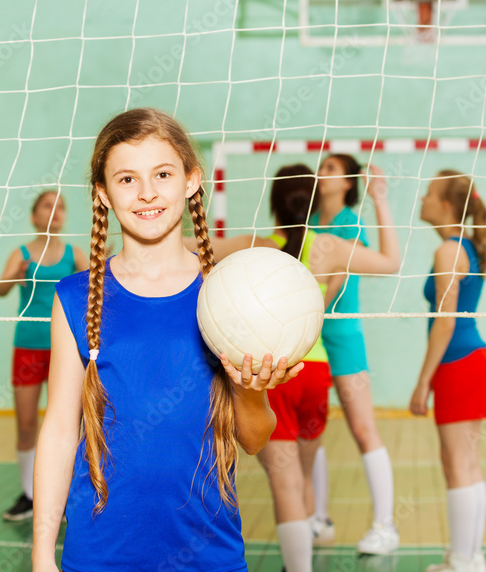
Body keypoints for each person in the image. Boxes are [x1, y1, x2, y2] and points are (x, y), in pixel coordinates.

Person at [31, 108, 303, 572]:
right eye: (127, 179)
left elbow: (255, 440)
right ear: (103, 194)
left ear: (191, 181)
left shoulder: (225, 297)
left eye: (162, 173)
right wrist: (41, 555)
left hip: (208, 555)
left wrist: (249, 390)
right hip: (99, 555)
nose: (148, 193)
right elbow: (59, 431)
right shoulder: (76, 297)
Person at [208, 163, 400, 571]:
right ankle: (319, 528)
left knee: (286, 485)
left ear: (275, 203)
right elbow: (390, 262)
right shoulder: (331, 244)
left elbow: (193, 246)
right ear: (312, 203)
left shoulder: (258, 245)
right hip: (316, 373)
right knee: (307, 470)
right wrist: (381, 199)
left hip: (275, 372)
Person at [308, 153, 399, 554]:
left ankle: (386, 526)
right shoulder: (307, 224)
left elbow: (339, 274)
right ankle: (318, 519)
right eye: (320, 166)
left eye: (330, 168)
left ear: (348, 182)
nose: (321, 172)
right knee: (309, 432)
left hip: (342, 336)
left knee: (363, 428)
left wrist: (313, 309)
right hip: (308, 340)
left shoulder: (350, 222)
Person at [410, 170, 486, 572]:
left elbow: (445, 322)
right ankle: (468, 557)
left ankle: (463, 561)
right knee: (467, 463)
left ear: (446, 204)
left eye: (429, 193)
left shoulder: (449, 250)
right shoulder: (464, 246)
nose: (422, 199)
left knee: (457, 464)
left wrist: (422, 382)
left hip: (459, 363)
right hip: (472, 361)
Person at [0, 190, 87, 521]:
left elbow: (96, 286)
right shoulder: (20, 254)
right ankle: (30, 495)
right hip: (28, 347)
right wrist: (14, 274)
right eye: (48, 205)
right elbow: (0, 289)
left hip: (65, 349)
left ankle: (65, 496)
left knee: (66, 422)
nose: (56, 211)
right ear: (35, 215)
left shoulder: (73, 254)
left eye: (61, 206)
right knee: (26, 423)